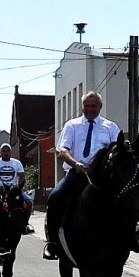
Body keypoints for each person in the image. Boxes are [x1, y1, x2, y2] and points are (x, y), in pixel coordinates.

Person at [44, 91, 120, 260]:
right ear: (82, 106)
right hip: (77, 173)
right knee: (55, 198)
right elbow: (63, 150)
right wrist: (76, 164)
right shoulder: (72, 125)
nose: (89, 109)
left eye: (93, 106)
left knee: (124, 198)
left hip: (101, 177)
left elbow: (117, 150)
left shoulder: (111, 127)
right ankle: (52, 242)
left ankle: (129, 237)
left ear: (100, 106)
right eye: (86, 105)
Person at [0, 142, 34, 236]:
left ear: (10, 152)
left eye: (7, 150)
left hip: (14, 189)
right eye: (3, 151)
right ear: (1, 152)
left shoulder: (17, 163)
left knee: (28, 202)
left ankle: (25, 224)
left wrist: (17, 187)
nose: (6, 153)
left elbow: (22, 178)